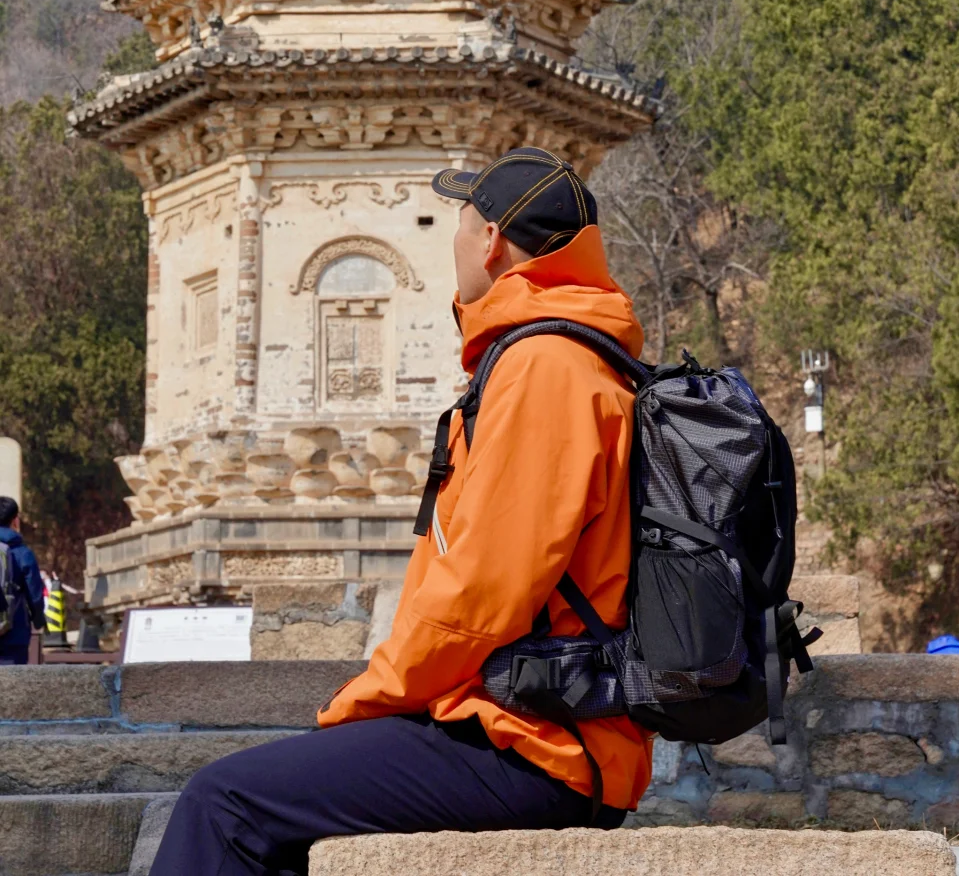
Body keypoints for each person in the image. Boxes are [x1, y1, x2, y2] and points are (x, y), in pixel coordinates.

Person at [151, 147, 652, 876]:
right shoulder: (573, 357)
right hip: (532, 724)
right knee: (279, 817)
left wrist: (367, 698)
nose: (452, 238)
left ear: (491, 240)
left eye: (460, 218)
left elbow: (483, 592)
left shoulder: (545, 369)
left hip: (533, 742)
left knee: (221, 803)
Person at [0, 497, 46, 666]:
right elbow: (34, 591)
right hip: (14, 630)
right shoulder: (21, 552)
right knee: (12, 686)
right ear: (15, 520)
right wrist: (38, 618)